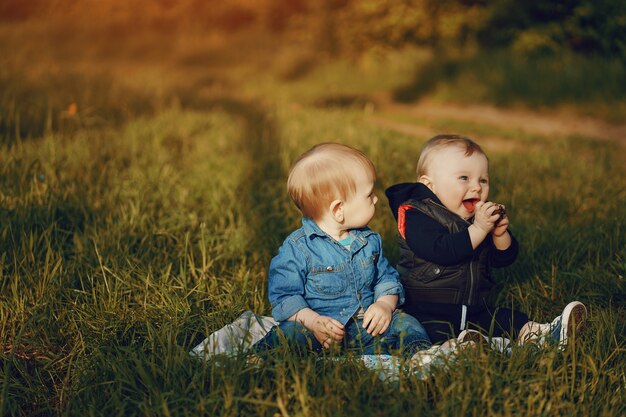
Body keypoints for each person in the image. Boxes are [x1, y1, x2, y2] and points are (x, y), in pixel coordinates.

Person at [385, 134, 587, 348]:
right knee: (429, 333)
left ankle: (544, 334)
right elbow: (442, 251)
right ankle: (455, 350)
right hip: (427, 309)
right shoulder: (416, 214)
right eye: (464, 178)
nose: (477, 187)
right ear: (429, 185)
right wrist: (479, 228)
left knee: (509, 319)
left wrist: (500, 235)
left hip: (475, 308)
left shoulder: (475, 219)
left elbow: (502, 259)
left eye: (483, 180)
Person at [252, 143, 432, 359]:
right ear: (339, 210)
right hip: (318, 332)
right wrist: (312, 321)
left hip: (367, 328)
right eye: (368, 195)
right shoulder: (298, 248)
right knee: (290, 333)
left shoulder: (369, 240)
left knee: (406, 323)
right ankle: (258, 360)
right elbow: (285, 296)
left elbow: (385, 277)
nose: (375, 199)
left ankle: (422, 357)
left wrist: (384, 304)